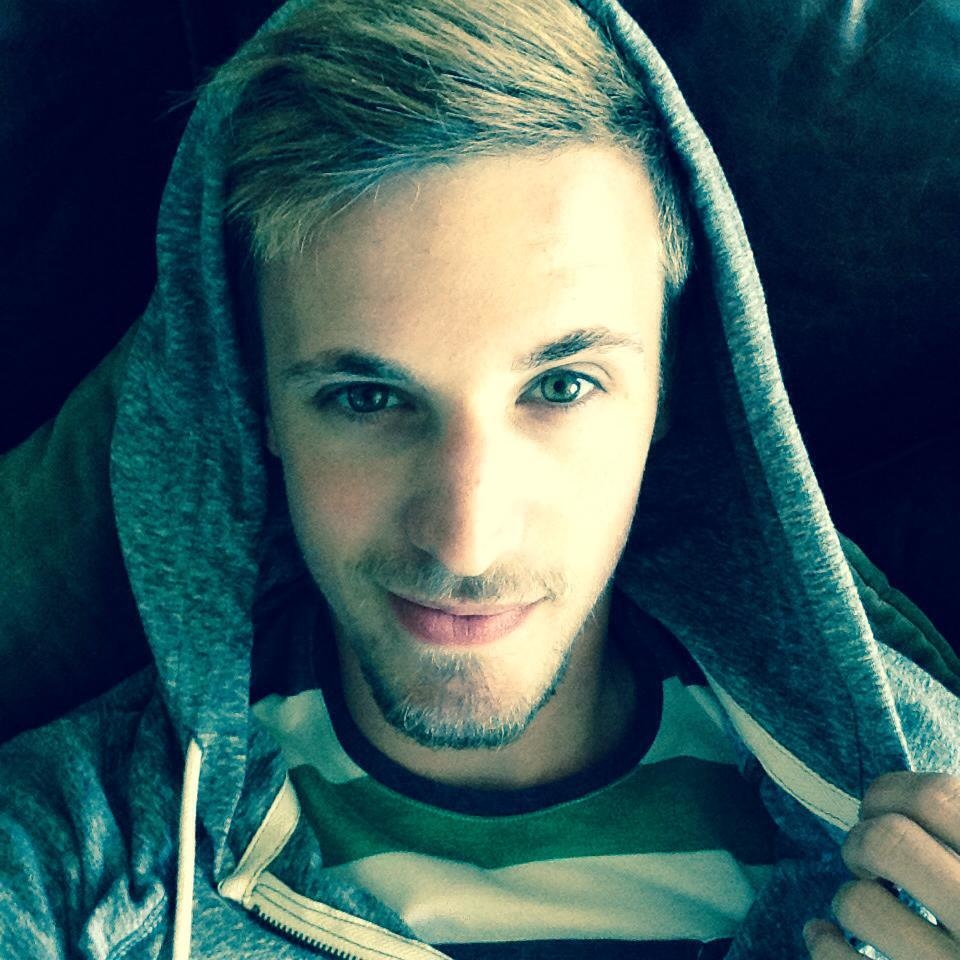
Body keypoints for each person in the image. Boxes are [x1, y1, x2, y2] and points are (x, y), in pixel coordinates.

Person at [1, 0, 958, 957]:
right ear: (258, 409)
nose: (467, 540)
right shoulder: (59, 870)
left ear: (673, 392)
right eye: (366, 399)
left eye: (562, 386)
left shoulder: (938, 845)